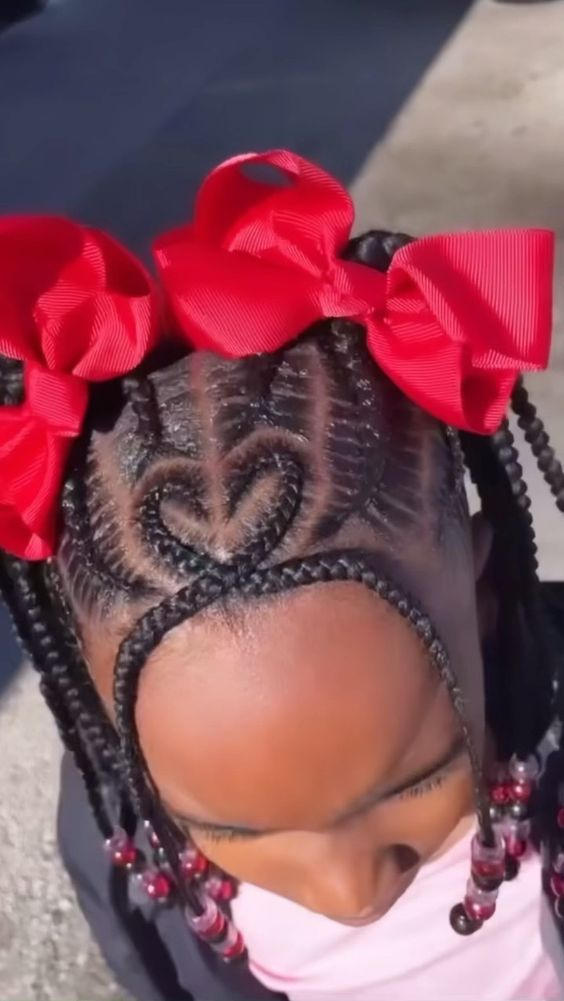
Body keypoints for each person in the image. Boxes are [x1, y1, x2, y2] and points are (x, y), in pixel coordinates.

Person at [1, 150, 564, 1001]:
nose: (349, 895)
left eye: (415, 781)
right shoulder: (119, 846)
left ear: (483, 595)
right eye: (230, 827)